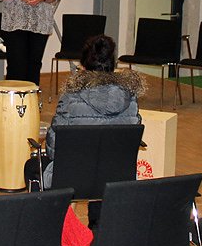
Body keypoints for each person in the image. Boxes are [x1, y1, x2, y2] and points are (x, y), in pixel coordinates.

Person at [27, 34, 145, 227]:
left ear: (83, 65)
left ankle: (53, 229)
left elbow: (54, 148)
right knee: (105, 167)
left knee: (32, 167)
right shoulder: (129, 97)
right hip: (117, 177)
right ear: (113, 64)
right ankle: (98, 228)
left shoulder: (71, 97)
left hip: (73, 177)